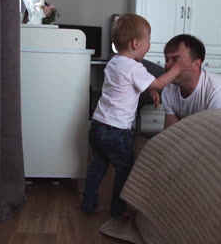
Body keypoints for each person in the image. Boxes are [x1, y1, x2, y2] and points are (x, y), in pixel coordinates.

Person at [81, 13, 190, 219]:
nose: (149, 45)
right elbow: (158, 82)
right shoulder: (134, 67)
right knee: (124, 169)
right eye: (148, 41)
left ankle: (89, 204)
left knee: (98, 166)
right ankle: (119, 210)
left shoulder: (114, 62)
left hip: (98, 125)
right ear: (135, 43)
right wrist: (177, 68)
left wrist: (151, 90)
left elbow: (130, 85)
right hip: (117, 130)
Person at [159, 34, 221, 128]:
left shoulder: (219, 91)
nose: (167, 65)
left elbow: (217, 137)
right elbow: (171, 134)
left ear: (196, 64)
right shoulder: (169, 91)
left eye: (175, 60)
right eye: (167, 59)